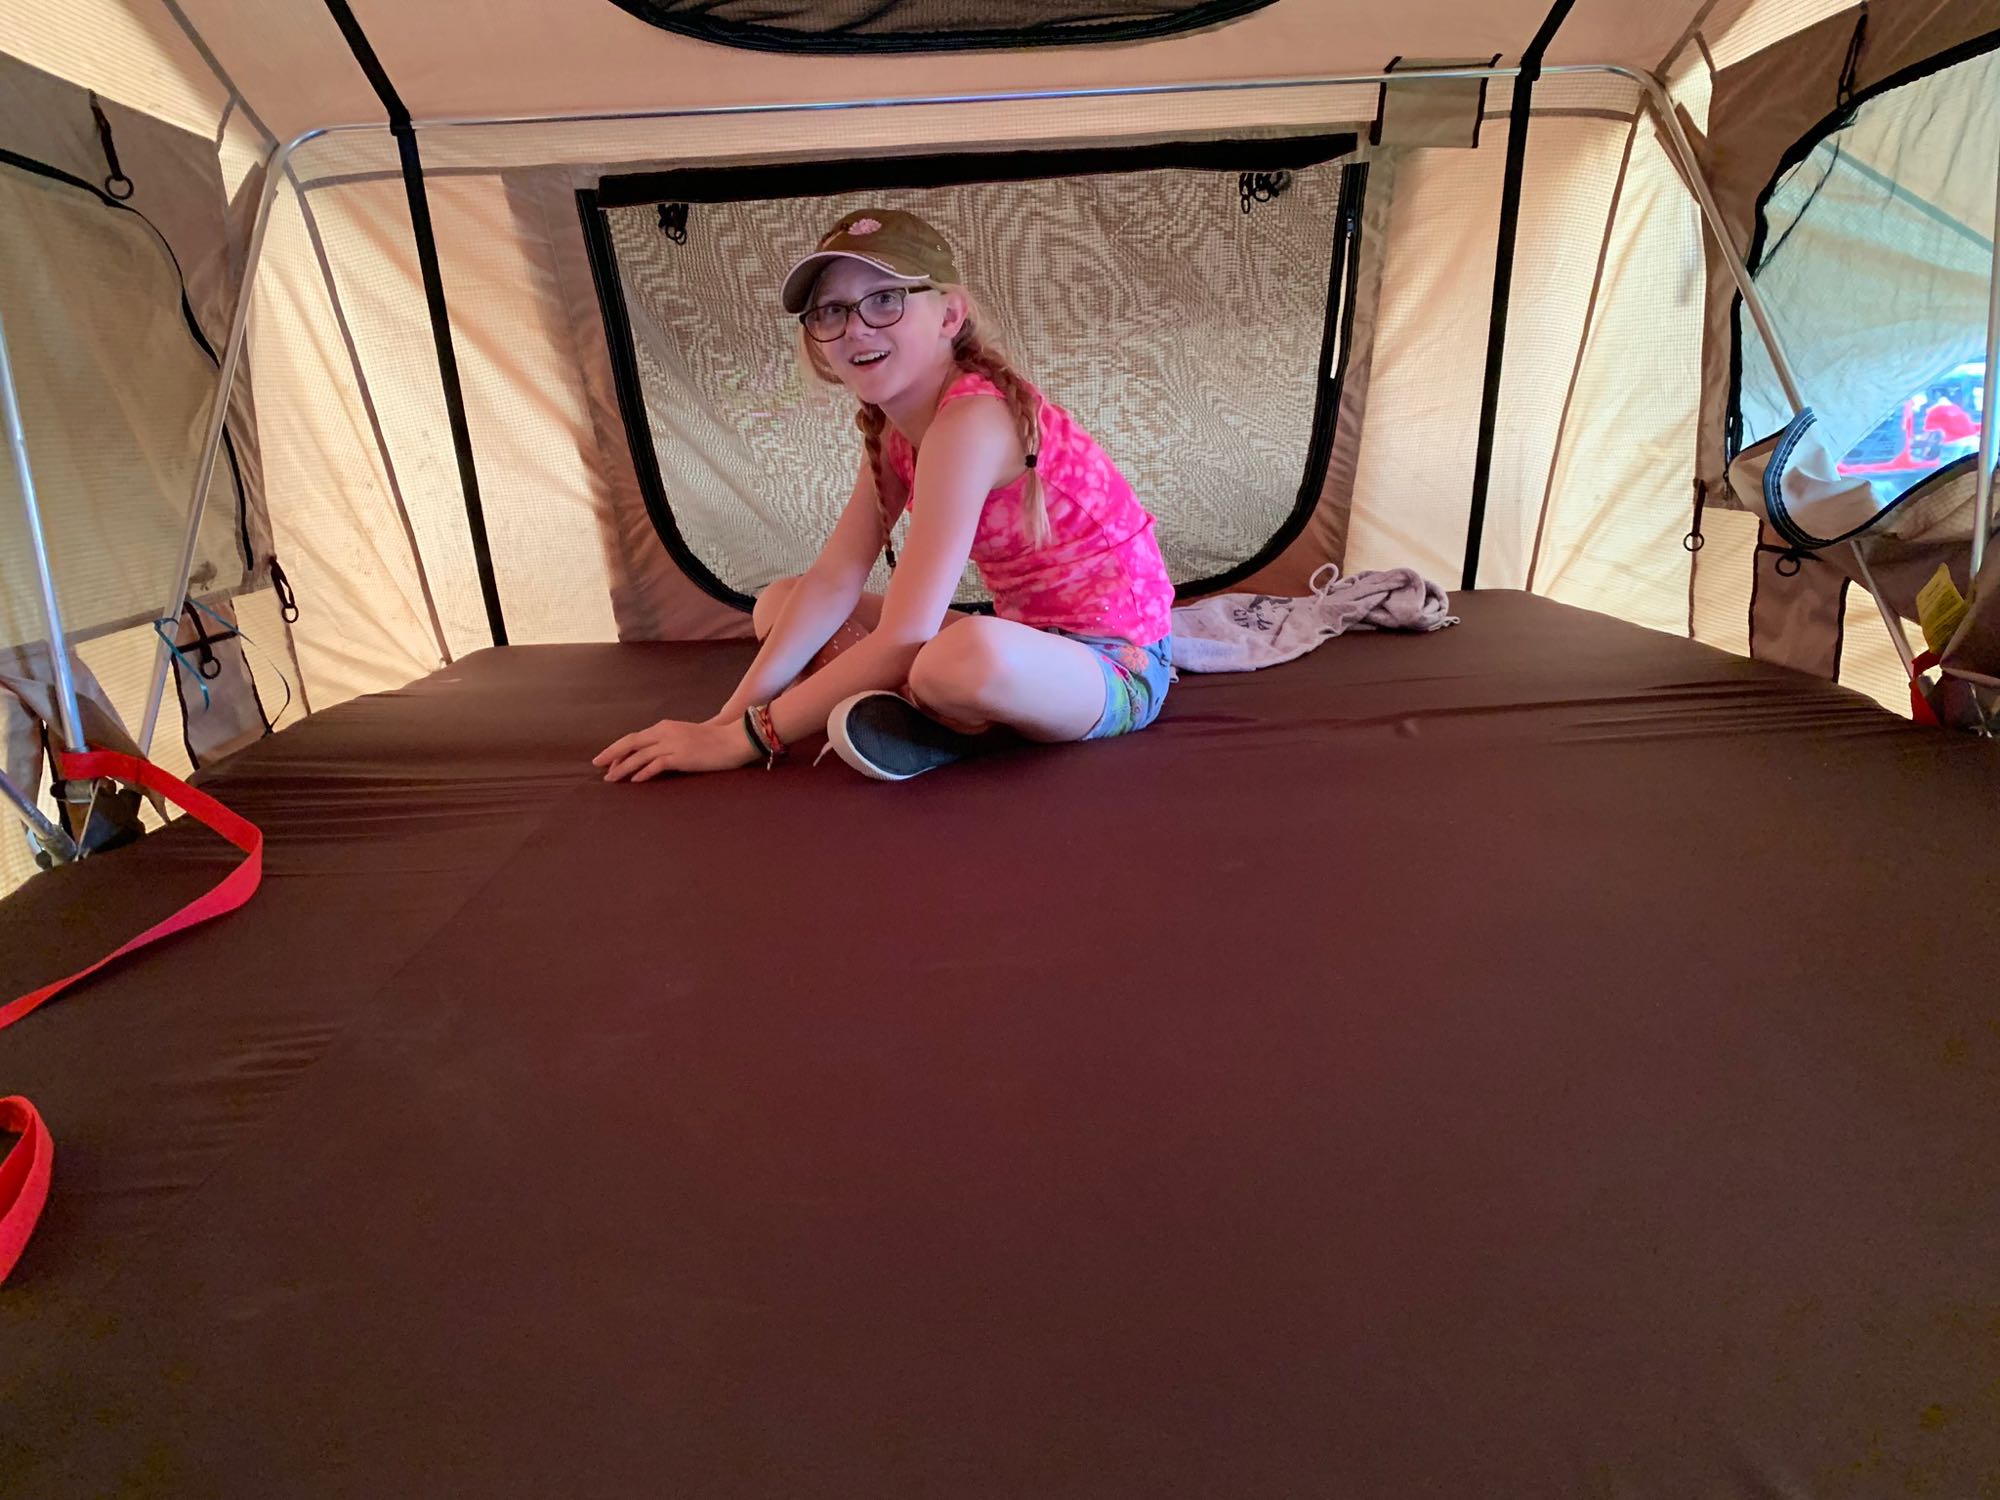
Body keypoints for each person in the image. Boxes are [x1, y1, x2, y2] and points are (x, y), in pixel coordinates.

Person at [595, 207, 1176, 783]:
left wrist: (748, 740)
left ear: (950, 315)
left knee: (955, 659)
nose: (856, 328)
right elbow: (834, 579)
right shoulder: (897, 431)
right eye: (831, 311)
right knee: (782, 602)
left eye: (884, 300)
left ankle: (956, 724)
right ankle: (941, 717)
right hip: (1029, 645)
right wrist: (723, 721)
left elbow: (906, 633)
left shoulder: (972, 421)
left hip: (1113, 666)